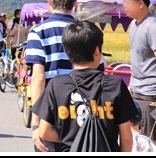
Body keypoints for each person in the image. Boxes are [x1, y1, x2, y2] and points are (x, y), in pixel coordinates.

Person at [32, 20, 138, 152]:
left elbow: (45, 131)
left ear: (67, 51)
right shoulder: (115, 84)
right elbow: (127, 138)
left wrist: (73, 137)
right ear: (97, 50)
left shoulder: (57, 85)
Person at [27, 0, 78, 152]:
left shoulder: (38, 31)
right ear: (75, 2)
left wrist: (35, 123)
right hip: (81, 109)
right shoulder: (87, 31)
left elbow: (39, 78)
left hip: (50, 111)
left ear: (49, 1)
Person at [122, 0, 156, 151]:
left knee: (150, 138)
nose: (124, 6)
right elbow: (138, 59)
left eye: (127, 2)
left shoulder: (154, 27)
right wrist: (131, 85)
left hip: (151, 93)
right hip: (137, 90)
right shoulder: (134, 25)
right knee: (137, 134)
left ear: (140, 4)